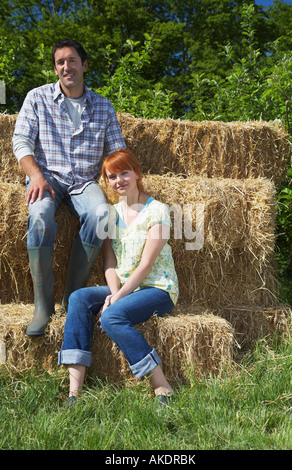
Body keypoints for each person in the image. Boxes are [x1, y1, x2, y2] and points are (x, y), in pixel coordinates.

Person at [12, 39, 126, 337]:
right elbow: (21, 142)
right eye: (60, 62)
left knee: (102, 215)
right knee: (38, 216)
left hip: (84, 181)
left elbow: (116, 151)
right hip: (46, 177)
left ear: (84, 65)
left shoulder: (103, 106)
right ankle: (43, 306)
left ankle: (71, 299)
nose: (66, 67)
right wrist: (35, 176)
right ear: (55, 68)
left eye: (72, 61)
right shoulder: (36, 98)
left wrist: (129, 185)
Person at [58, 148, 179, 407]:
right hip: (123, 288)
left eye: (124, 173)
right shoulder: (110, 214)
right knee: (79, 297)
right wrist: (114, 293)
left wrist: (116, 300)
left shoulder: (157, 210)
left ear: (137, 173)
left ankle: (161, 385)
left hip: (156, 288)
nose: (118, 180)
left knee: (112, 316)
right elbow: (110, 262)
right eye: (112, 176)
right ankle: (74, 392)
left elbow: (146, 264)